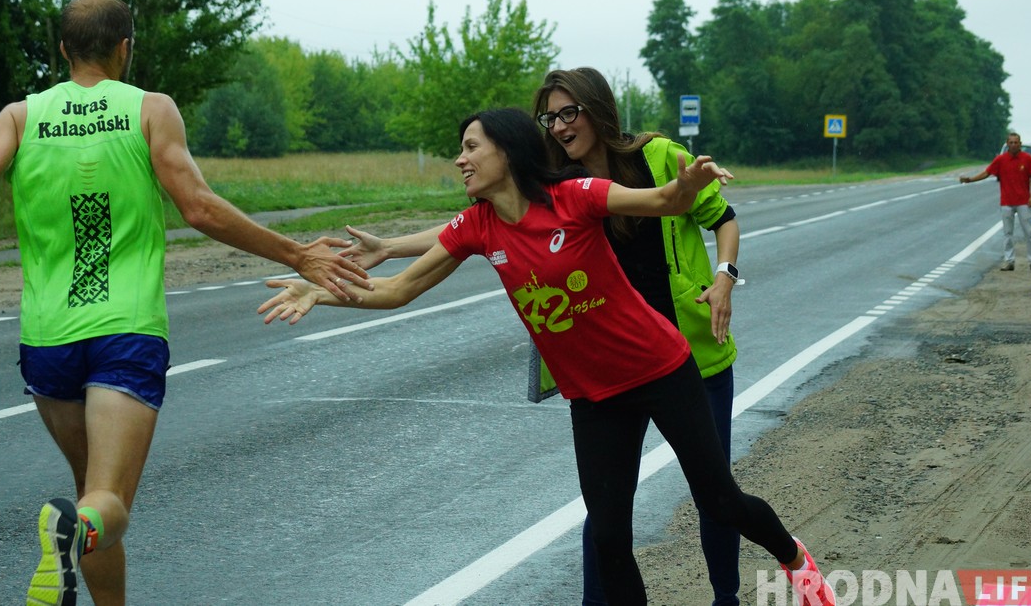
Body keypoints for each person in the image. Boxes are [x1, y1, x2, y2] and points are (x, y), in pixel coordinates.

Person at [259, 107, 835, 606]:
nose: (460, 160)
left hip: (660, 369)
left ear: (506, 152)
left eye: (470, 148)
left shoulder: (574, 197)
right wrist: (320, 292)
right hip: (594, 397)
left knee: (720, 499)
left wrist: (687, 189)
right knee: (609, 537)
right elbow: (396, 290)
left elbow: (661, 199)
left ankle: (795, 560)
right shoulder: (477, 227)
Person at [0, 0, 371, 606]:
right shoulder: (150, 110)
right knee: (108, 507)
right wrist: (297, 254)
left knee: (91, 496)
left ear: (65, 50)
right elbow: (198, 207)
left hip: (48, 338)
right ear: (126, 48)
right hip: (124, 330)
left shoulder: (20, 117)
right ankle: (74, 532)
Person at [342, 67, 744, 605]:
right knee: (605, 518)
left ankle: (727, 598)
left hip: (688, 355)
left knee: (715, 495)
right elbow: (472, 227)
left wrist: (724, 278)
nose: (558, 126)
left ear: (598, 110)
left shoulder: (659, 157)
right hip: (604, 372)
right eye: (549, 117)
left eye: (568, 112)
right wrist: (390, 247)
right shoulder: (554, 176)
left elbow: (720, 217)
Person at [960, 132, 1031, 272]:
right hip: (1007, 202)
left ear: (1020, 144)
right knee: (1008, 232)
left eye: (1016, 142)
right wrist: (970, 179)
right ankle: (1009, 261)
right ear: (1007, 144)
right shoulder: (1001, 160)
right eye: (1011, 142)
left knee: (1029, 231)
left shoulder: (1027, 159)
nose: (1014, 145)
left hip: (1023, 202)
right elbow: (987, 172)